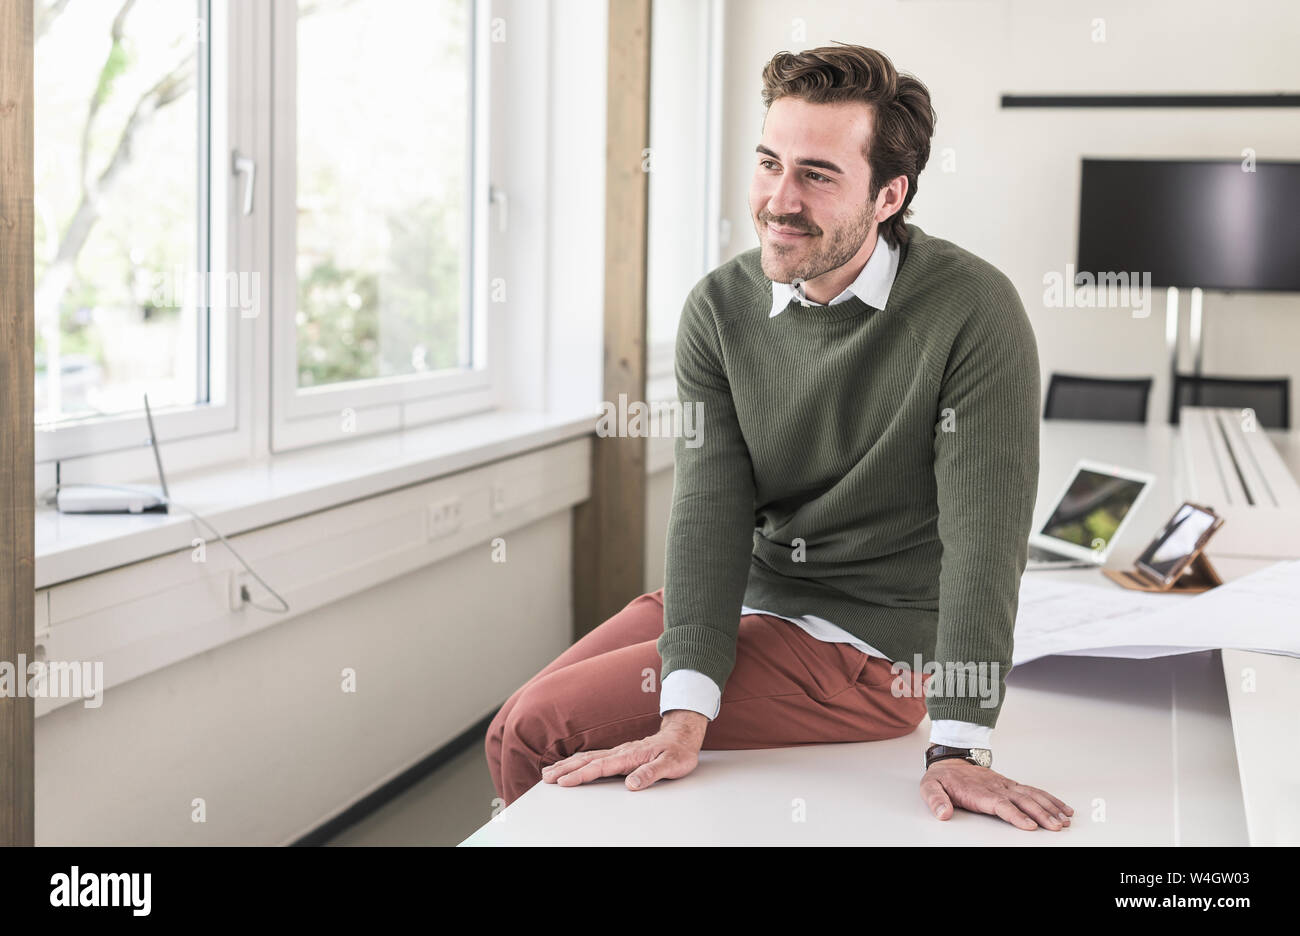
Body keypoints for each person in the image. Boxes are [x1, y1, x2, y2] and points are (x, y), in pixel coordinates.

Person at [485, 43, 1073, 832]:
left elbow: (984, 537)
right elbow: (708, 508)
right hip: (759, 595)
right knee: (513, 723)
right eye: (769, 163)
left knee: (538, 727)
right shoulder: (719, 309)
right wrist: (688, 702)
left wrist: (959, 746)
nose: (777, 200)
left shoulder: (972, 311)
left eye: (817, 175)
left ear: (888, 194)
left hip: (873, 645)